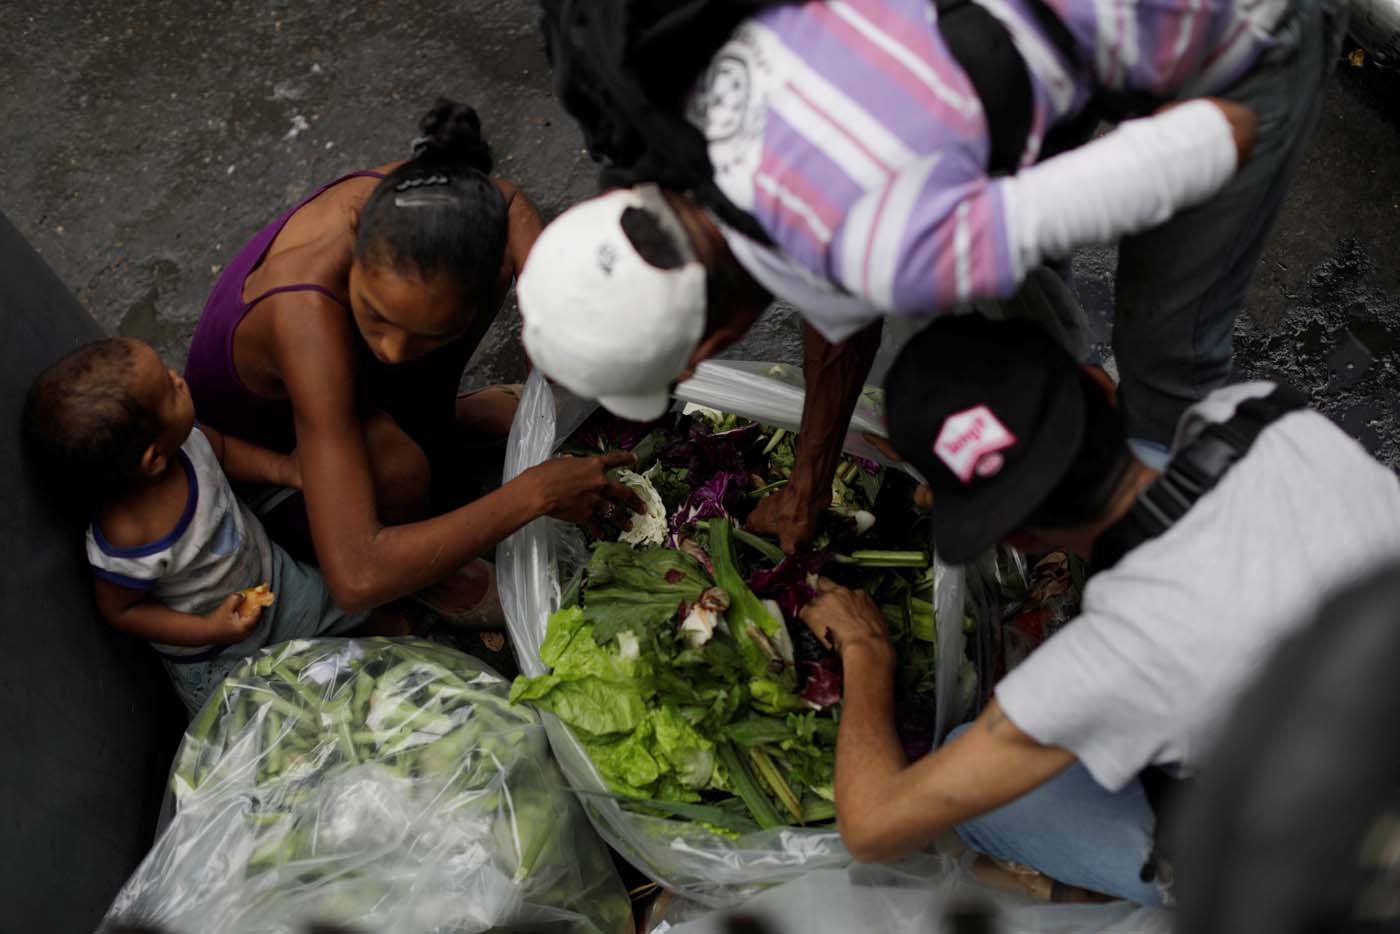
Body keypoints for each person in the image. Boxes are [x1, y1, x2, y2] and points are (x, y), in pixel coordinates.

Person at [517, 0, 1344, 553]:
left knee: (1170, 352)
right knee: (995, 265)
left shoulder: (885, 247)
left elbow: (1205, 145)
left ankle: (1164, 552)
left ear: (712, 343)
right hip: (1009, 28)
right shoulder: (698, 97)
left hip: (1240, 35)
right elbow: (850, 260)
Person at [796, 313, 1400, 905]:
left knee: (982, 781)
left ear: (1013, 539)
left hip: (1343, 866)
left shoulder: (1111, 660)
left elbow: (873, 827)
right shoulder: (1257, 414)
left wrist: (866, 650)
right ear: (1098, 386)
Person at [184, 99, 643, 618]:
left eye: (429, 334)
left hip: (338, 395)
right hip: (267, 466)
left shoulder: (428, 197)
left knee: (485, 269)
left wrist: (547, 313)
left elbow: (508, 203)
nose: (393, 350)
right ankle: (431, 576)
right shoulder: (303, 316)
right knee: (401, 469)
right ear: (357, 231)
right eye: (376, 315)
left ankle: (437, 421)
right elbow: (356, 576)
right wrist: (531, 495)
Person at [23, 338, 367, 714]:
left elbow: (222, 450)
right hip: (215, 653)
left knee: (353, 613)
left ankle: (402, 633)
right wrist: (208, 630)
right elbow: (122, 611)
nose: (180, 379)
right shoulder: (128, 541)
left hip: (275, 580)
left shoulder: (185, 442)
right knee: (250, 719)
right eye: (170, 390)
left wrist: (283, 469)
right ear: (153, 460)